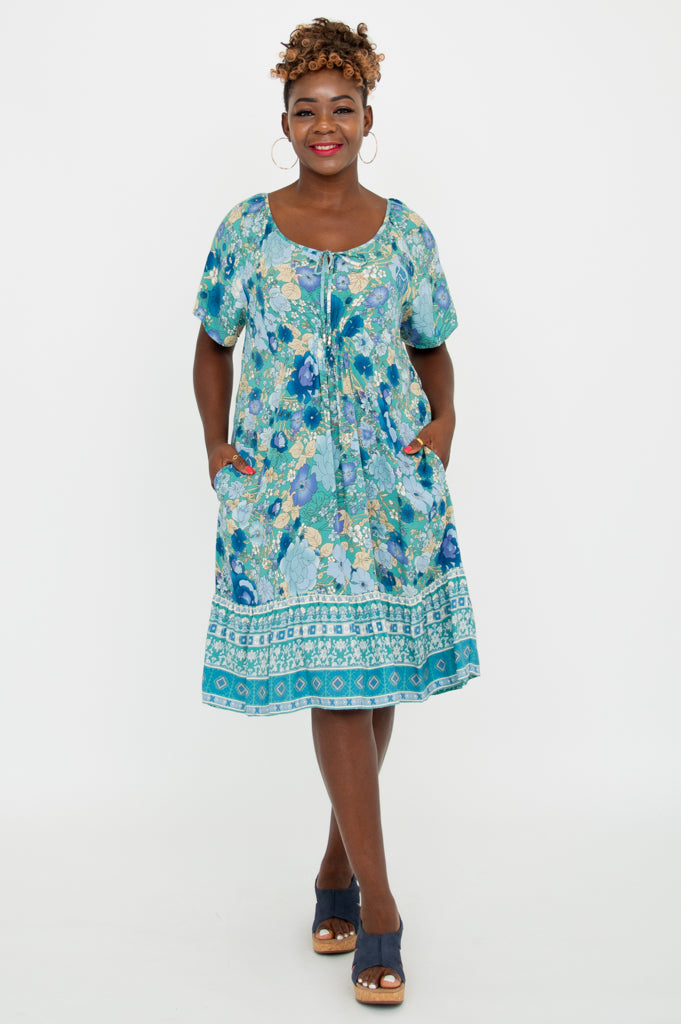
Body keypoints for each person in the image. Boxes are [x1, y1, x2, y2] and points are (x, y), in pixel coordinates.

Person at [191, 17, 480, 1006]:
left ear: (366, 119)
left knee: (375, 674)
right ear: (284, 123)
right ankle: (382, 911)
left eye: (342, 108)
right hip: (288, 498)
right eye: (306, 110)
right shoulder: (245, 228)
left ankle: (332, 869)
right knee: (340, 688)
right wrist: (215, 446)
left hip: (391, 487)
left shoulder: (406, 234)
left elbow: (432, 345)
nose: (325, 125)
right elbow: (212, 344)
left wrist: (444, 424)